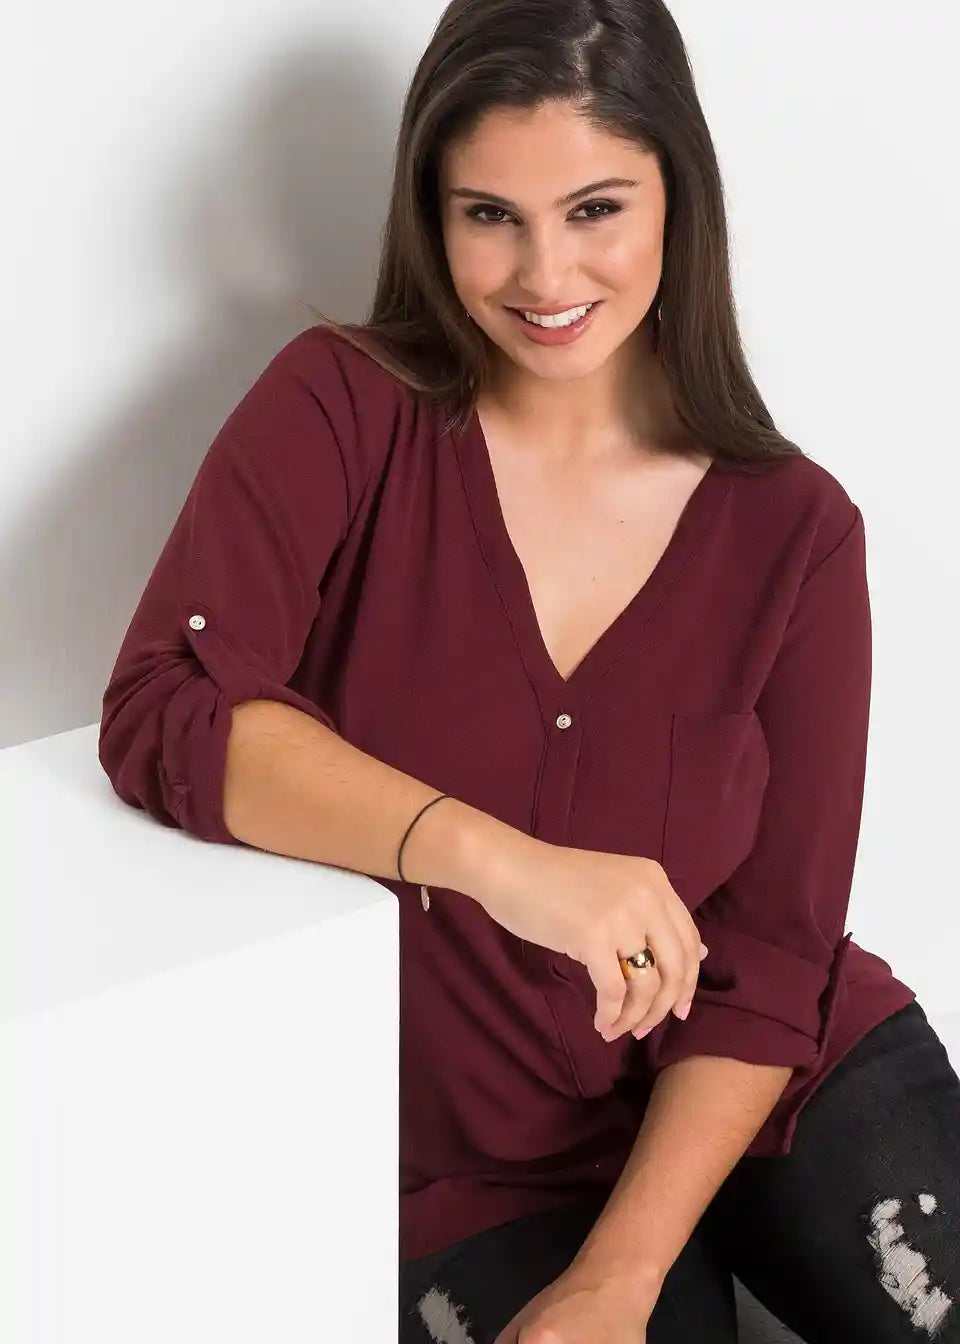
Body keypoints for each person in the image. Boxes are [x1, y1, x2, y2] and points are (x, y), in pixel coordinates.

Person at [98, 1, 960, 1340]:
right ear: (431, 216)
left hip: (764, 1080)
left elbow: (778, 951)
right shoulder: (342, 411)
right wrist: (502, 863)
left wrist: (623, 1275)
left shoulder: (796, 531)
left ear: (680, 198)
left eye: (596, 208)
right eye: (490, 215)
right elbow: (169, 707)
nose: (544, 273)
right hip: (472, 1163)